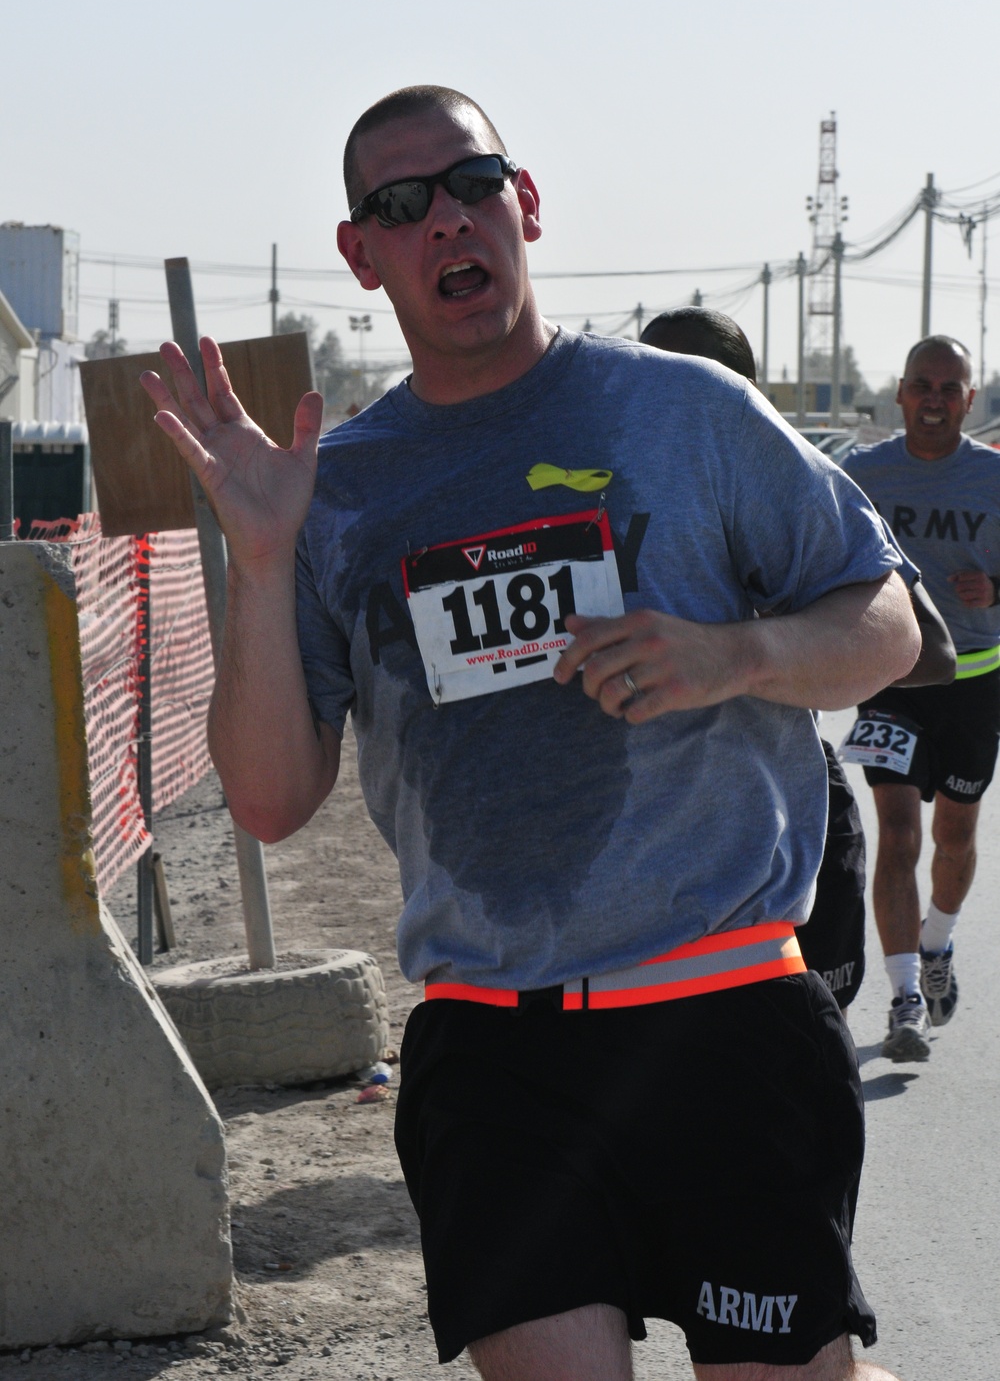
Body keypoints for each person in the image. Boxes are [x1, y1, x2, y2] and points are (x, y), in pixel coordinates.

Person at [141, 86, 919, 1381]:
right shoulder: (341, 487)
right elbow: (272, 800)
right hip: (496, 1046)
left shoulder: (687, 412)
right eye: (402, 204)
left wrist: (737, 652)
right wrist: (264, 561)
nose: (444, 217)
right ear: (362, 253)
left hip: (722, 1006)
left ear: (527, 204)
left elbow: (888, 620)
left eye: (472, 182)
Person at [640, 307, 955, 1014]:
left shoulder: (793, 490)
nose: (662, 403)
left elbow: (930, 648)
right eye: (647, 379)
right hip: (662, 838)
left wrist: (776, 644)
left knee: (803, 1061)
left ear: (741, 392)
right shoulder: (616, 497)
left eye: (687, 382)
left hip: (792, 826)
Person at [840, 336, 1000, 1062]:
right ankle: (905, 997)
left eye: (950, 387)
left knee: (955, 840)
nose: (935, 398)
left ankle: (936, 944)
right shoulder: (859, 474)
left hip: (974, 680)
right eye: (923, 385)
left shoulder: (993, 477)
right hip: (894, 678)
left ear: (970, 400)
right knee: (898, 832)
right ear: (900, 394)